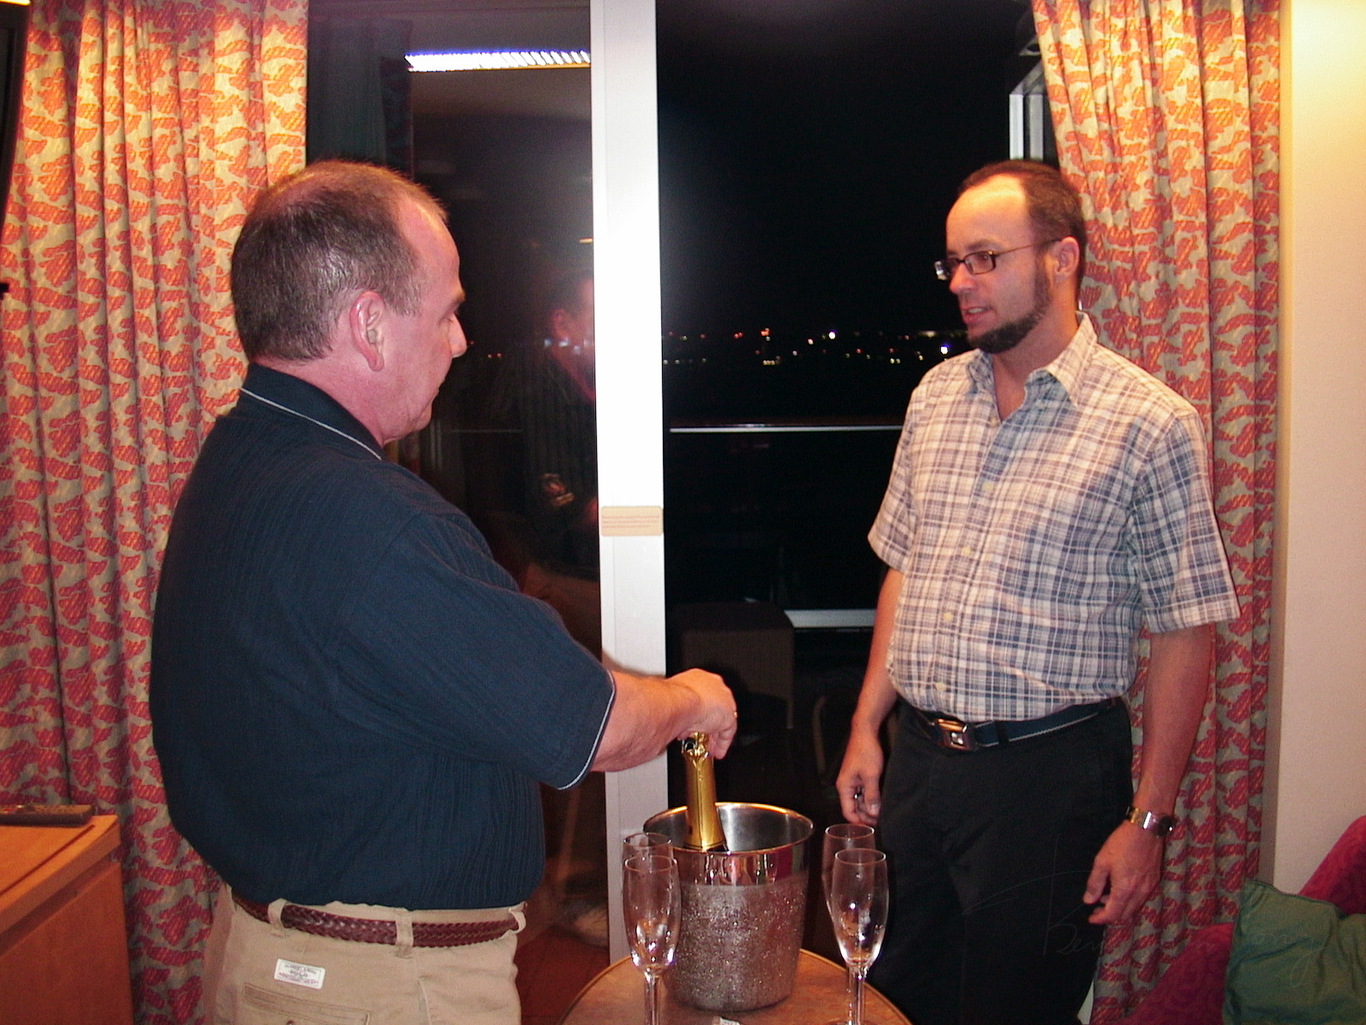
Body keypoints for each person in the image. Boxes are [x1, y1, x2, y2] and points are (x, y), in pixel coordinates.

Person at [149, 160, 737, 1025]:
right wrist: (694, 697)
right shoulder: (373, 521)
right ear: (369, 325)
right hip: (373, 991)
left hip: (269, 953)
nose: (460, 341)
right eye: (447, 312)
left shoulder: (237, 457)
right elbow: (593, 726)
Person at [834, 160, 1239, 1025]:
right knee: (893, 992)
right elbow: (905, 565)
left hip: (1048, 780)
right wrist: (868, 723)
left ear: (1062, 258)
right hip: (922, 765)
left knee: (1018, 1008)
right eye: (952, 262)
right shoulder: (936, 398)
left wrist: (1149, 821)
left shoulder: (1150, 423)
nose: (961, 282)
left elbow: (1185, 632)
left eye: (985, 258)